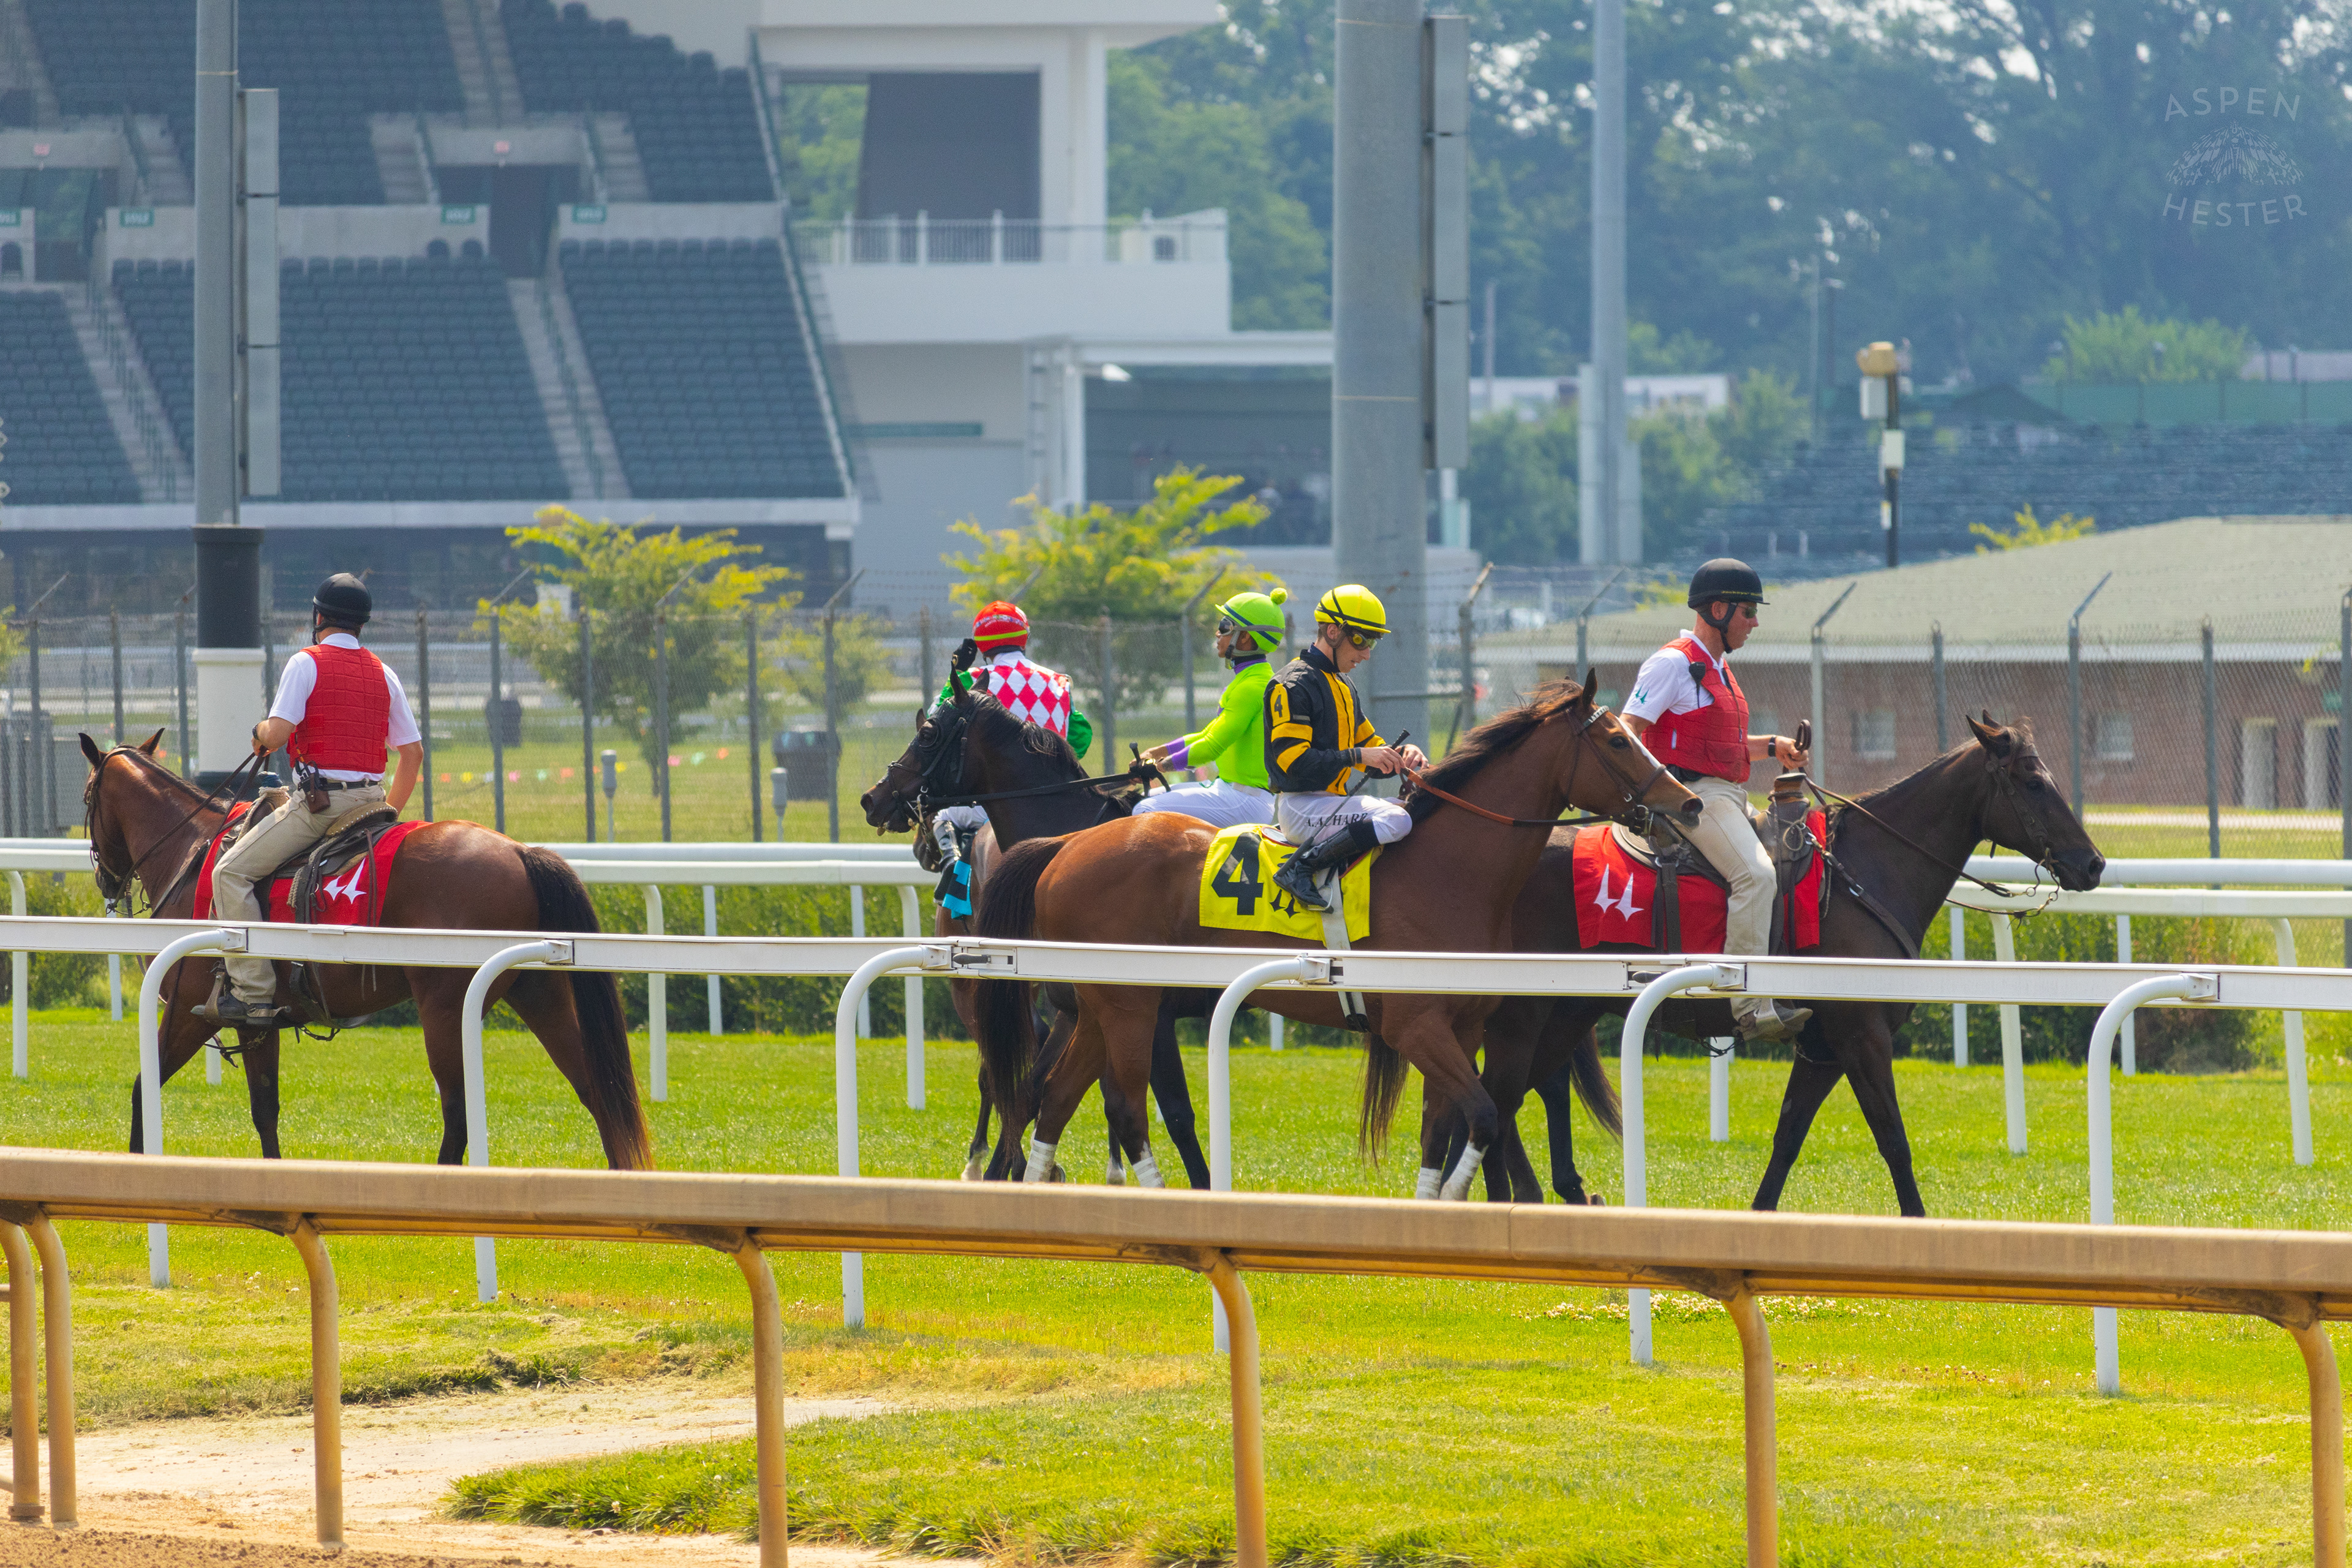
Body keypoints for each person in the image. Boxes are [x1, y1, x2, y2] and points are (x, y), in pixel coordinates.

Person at [198, 573, 424, 1027]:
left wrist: (260, 732)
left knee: (230, 872)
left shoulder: (305, 663)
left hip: (322, 809)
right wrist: (391, 815)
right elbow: (413, 754)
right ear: (361, 624)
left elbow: (278, 735)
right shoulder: (385, 672)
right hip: (374, 805)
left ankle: (254, 995)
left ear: (318, 617)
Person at [1621, 557, 1814, 1043]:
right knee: (1756, 875)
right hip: (1694, 798)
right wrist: (1664, 795)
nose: (1755, 622)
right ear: (1720, 609)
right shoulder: (1671, 662)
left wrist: (1772, 748)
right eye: (1748, 611)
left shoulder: (1718, 666)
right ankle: (1749, 1007)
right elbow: (1627, 732)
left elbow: (1721, 748)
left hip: (1728, 794)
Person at [1263, 584, 1427, 912]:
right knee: (1398, 821)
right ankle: (1301, 867)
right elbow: (1293, 762)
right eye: (1361, 640)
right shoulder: (1292, 683)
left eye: (1372, 642)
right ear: (1333, 632)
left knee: (1417, 810)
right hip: (1301, 808)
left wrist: (1402, 757)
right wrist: (1358, 756)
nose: (1366, 653)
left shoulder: (1344, 685)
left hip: (1331, 805)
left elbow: (1371, 750)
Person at [926, 599, 1093, 897]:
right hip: (1060, 804)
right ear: (1024, 638)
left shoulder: (970, 680)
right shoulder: (1059, 682)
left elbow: (932, 727)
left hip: (996, 811)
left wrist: (955, 672)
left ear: (980, 645)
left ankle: (954, 874)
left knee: (945, 815)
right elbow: (1080, 738)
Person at [1133, 587, 1287, 830]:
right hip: (1231, 791)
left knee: (1143, 810)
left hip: (1243, 801)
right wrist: (1157, 752)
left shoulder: (1252, 688)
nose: (1218, 633)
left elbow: (1212, 747)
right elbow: (1207, 735)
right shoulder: (1249, 681)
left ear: (1245, 637)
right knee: (1142, 800)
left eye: (1225, 626)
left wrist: (1159, 767)